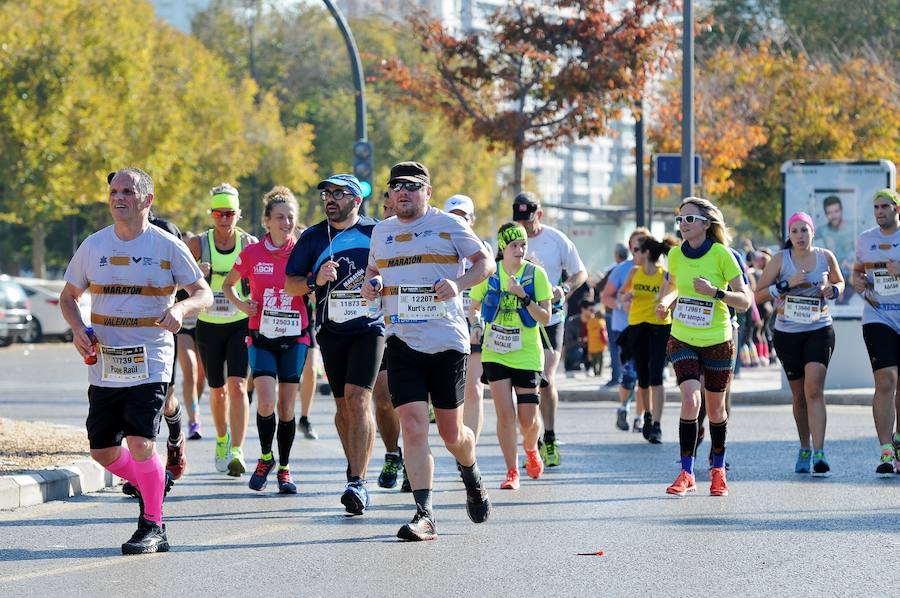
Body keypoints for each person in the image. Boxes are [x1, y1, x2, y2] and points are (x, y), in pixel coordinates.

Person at [59, 167, 212, 554]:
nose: (118, 197)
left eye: (127, 191)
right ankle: (153, 483)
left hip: (152, 357)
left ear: (147, 199)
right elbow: (68, 296)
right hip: (105, 362)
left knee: (142, 442)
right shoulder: (94, 245)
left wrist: (182, 308)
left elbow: (203, 293)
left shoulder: (166, 245)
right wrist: (78, 329)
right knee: (102, 451)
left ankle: (153, 524)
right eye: (113, 191)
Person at [362, 161, 494, 541]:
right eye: (396, 186)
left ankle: (471, 472)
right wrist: (372, 285)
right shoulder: (382, 231)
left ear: (427, 192)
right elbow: (375, 272)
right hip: (402, 339)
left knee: (453, 434)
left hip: (447, 342)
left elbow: (484, 263)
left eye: (412, 186)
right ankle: (425, 514)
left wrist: (458, 282)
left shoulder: (449, 224)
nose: (403, 192)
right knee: (414, 427)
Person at [286, 174, 384, 515]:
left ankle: (359, 481)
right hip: (331, 329)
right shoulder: (313, 237)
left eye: (339, 194)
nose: (330, 199)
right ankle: (353, 469)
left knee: (360, 400)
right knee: (343, 408)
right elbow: (291, 285)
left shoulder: (376, 233)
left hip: (369, 327)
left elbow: (396, 268)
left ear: (356, 200)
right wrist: (315, 279)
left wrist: (380, 281)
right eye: (327, 193)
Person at [656, 197, 751, 497]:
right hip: (683, 336)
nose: (683, 225)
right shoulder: (674, 255)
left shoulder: (722, 255)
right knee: (690, 401)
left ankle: (718, 470)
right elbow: (672, 287)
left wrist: (716, 292)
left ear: (706, 224)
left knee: (715, 408)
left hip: (718, 341)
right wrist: (663, 302)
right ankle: (686, 472)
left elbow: (745, 300)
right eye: (680, 220)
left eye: (689, 220)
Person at [224, 187, 310, 494]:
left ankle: (284, 468)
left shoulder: (302, 251)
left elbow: (313, 287)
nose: (286, 223)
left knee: (287, 409)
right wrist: (243, 304)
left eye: (290, 218)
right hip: (260, 334)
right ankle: (264, 457)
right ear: (266, 221)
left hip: (295, 337)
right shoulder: (251, 253)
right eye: (280, 217)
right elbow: (228, 285)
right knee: (265, 401)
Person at [754, 212, 843, 475]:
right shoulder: (781, 260)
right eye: (795, 231)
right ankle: (804, 446)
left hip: (819, 328)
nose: (800, 236)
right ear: (789, 235)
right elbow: (757, 296)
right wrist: (784, 284)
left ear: (812, 232)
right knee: (798, 396)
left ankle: (820, 452)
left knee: (814, 388)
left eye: (804, 230)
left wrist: (833, 290)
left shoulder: (825, 256)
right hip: (788, 332)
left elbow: (840, 281)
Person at [470, 222, 552, 489]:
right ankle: (512, 471)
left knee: (528, 421)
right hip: (496, 352)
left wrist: (523, 297)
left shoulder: (535, 275)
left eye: (523, 245)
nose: (520, 250)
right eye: (514, 245)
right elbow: (473, 307)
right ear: (503, 247)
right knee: (505, 415)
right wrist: (475, 326)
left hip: (527, 354)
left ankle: (531, 449)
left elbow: (546, 316)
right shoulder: (491, 275)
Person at [187, 184, 257, 477]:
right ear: (212, 214)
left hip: (239, 323)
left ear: (238, 215)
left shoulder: (249, 244)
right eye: (218, 213)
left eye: (229, 213)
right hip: (209, 326)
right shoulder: (198, 245)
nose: (224, 218)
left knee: (238, 386)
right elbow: (177, 282)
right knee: (217, 391)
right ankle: (221, 440)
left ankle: (238, 450)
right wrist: (196, 274)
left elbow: (261, 279)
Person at [512, 192, 586, 467]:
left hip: (549, 317)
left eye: (528, 222)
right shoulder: (510, 240)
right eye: (519, 221)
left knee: (546, 376)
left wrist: (564, 289)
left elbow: (580, 273)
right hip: (517, 320)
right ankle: (535, 440)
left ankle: (551, 436)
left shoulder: (556, 240)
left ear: (539, 215)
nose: (525, 227)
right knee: (525, 384)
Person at [851, 188, 900, 476]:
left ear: (896, 209)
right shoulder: (865, 240)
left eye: (885, 206)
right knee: (886, 379)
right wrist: (857, 282)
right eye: (876, 207)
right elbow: (858, 272)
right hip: (878, 315)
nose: (880, 211)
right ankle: (885, 449)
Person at [620, 234, 677, 444]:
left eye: (637, 251)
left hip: (659, 327)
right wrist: (626, 297)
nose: (634, 255)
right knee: (642, 377)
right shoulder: (634, 272)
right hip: (637, 326)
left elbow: (672, 297)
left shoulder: (665, 275)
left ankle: (658, 424)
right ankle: (647, 416)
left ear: (646, 253)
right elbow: (621, 294)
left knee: (656, 377)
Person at [444, 194, 488, 443]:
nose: (458, 223)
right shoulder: (435, 246)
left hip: (473, 325)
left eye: (463, 218)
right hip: (443, 324)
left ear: (472, 220)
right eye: (453, 218)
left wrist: (477, 320)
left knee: (473, 389)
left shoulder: (484, 250)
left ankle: (469, 454)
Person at [602, 228, 648, 431]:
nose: (640, 251)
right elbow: (606, 297)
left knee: (645, 376)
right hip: (625, 329)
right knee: (629, 375)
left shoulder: (657, 270)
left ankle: (641, 417)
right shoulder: (622, 270)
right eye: (636, 247)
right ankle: (624, 407)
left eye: (644, 246)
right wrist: (622, 305)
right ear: (630, 248)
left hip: (649, 328)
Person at [176, 231, 207, 440]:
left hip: (204, 326)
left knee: (202, 376)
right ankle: (193, 419)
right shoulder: (174, 268)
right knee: (191, 371)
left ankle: (194, 401)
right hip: (183, 328)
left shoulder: (206, 268)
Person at [817, 195, 856, 304]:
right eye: (829, 213)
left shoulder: (853, 229)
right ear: (825, 214)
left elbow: (862, 256)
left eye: (836, 211)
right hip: (830, 276)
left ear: (841, 210)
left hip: (850, 275)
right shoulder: (821, 232)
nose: (834, 216)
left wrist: (850, 265)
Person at [563, 301, 592, 375]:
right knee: (578, 351)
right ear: (583, 309)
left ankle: (590, 368)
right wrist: (583, 341)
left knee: (596, 347)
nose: (593, 313)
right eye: (591, 310)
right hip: (575, 349)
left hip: (589, 348)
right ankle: (571, 368)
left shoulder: (594, 322)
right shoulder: (572, 321)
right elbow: (568, 342)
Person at [586, 304, 608, 376]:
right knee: (600, 360)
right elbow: (603, 334)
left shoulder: (590, 322)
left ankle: (595, 372)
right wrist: (606, 342)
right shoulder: (601, 322)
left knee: (594, 360)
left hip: (591, 345)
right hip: (600, 345)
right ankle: (599, 372)